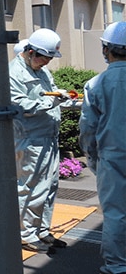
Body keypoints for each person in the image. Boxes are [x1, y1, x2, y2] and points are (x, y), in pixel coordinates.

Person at [9, 28, 70, 254]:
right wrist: (52, 103)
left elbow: (53, 94)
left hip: (48, 137)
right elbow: (20, 106)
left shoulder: (41, 71)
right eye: (44, 58)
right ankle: (25, 234)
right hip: (30, 139)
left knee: (49, 187)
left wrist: (68, 99)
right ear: (31, 51)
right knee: (30, 188)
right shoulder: (14, 73)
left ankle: (42, 230)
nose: (46, 63)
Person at [79, 21, 126, 274]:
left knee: (117, 213)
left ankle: (118, 264)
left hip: (112, 155)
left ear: (106, 49)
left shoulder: (97, 83)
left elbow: (88, 128)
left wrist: (91, 156)